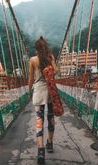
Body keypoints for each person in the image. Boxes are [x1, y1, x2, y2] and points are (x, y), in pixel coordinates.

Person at [28, 36, 58, 164]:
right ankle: (50, 143)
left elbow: (30, 79)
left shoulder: (33, 60)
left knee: (39, 120)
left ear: (36, 49)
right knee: (51, 118)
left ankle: (41, 151)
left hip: (39, 91)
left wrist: (30, 91)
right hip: (50, 91)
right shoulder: (50, 57)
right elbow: (56, 71)